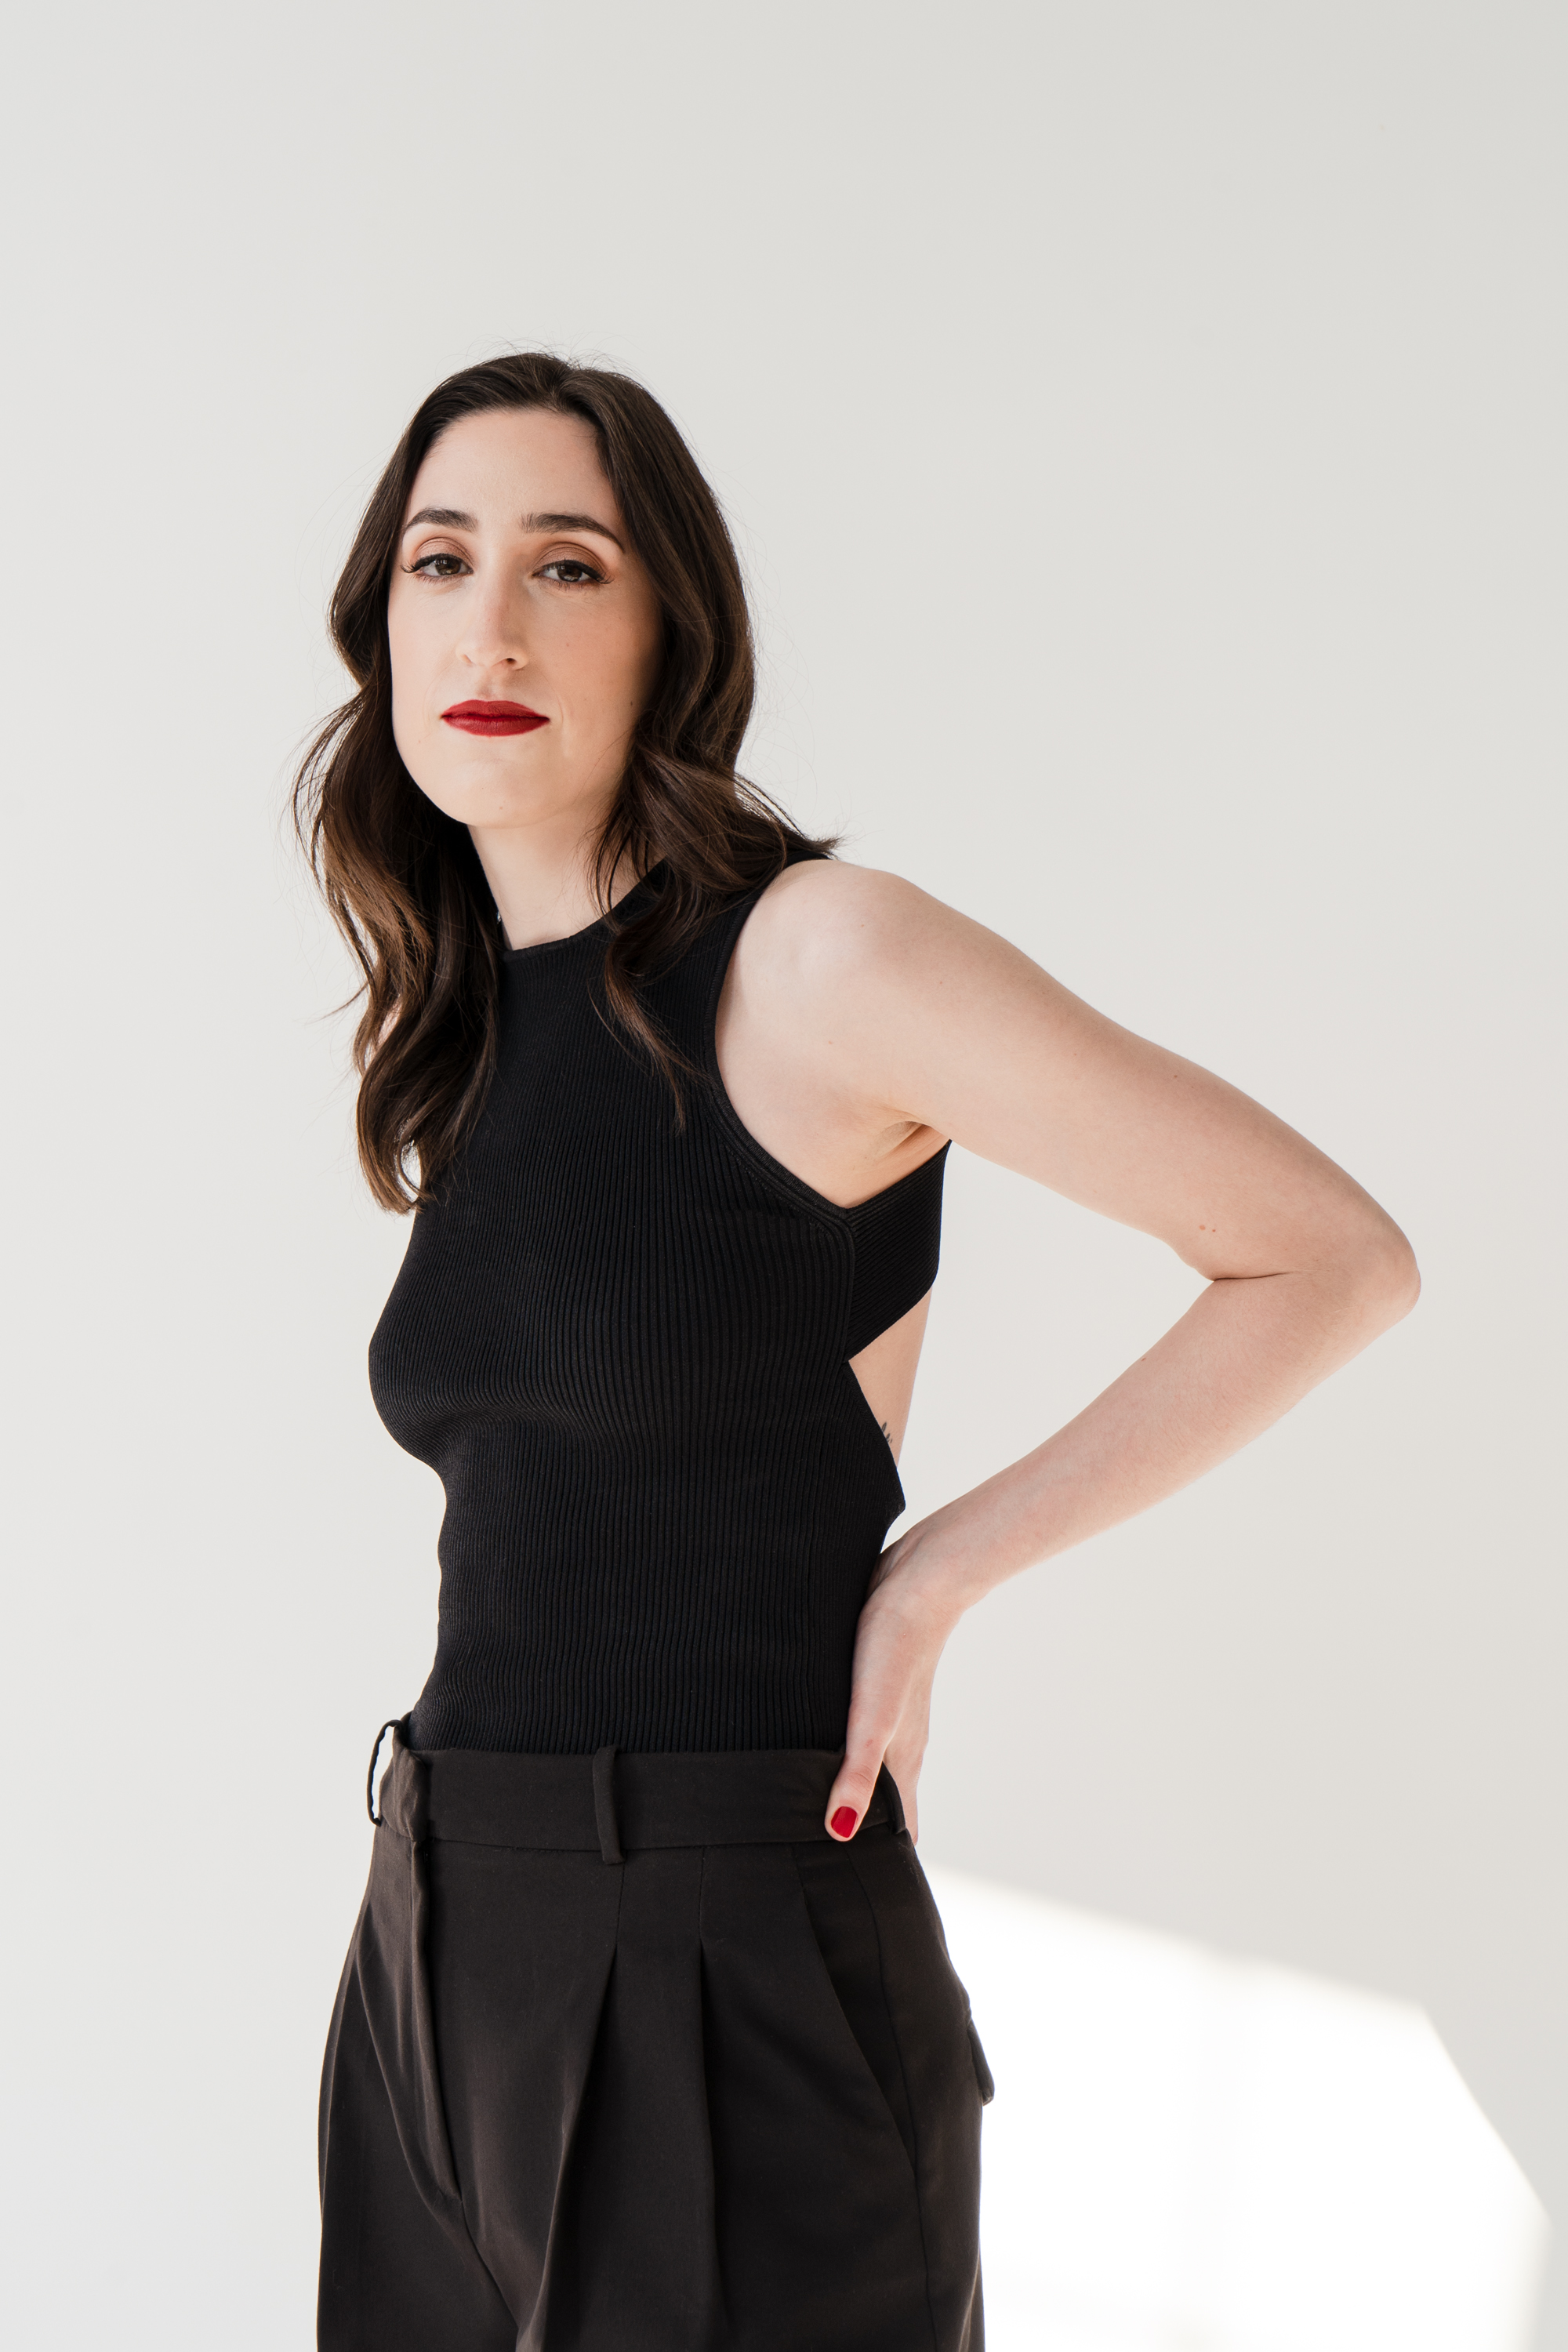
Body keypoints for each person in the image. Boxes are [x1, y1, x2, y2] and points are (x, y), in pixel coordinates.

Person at [298, 353, 1419, 2352]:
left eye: (569, 565)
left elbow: (1324, 1257)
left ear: (669, 634)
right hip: (434, 1952)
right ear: (379, 628)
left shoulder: (813, 956)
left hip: (721, 1960)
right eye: (437, 561)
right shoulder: (477, 1033)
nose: (489, 621)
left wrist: (938, 1572)